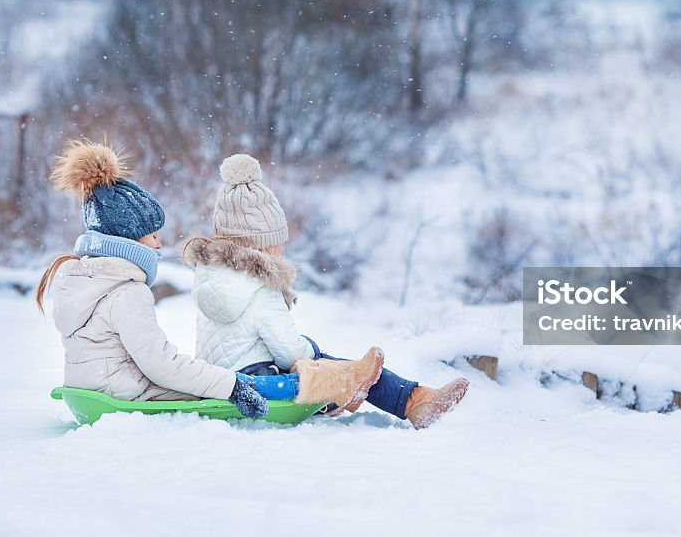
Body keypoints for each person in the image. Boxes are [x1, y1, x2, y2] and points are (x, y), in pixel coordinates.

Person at [36, 139, 383, 419]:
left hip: (91, 392)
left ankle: (344, 383)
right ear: (126, 241)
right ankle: (332, 386)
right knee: (257, 382)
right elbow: (160, 365)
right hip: (125, 392)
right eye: (151, 236)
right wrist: (231, 386)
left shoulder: (81, 279)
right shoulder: (126, 293)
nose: (159, 244)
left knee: (214, 373)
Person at [184, 153, 470, 430]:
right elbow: (289, 353)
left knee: (339, 366)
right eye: (277, 241)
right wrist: (314, 351)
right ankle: (412, 400)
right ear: (262, 244)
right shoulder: (260, 285)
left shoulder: (211, 276)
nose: (281, 248)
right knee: (330, 363)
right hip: (262, 381)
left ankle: (407, 398)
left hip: (218, 380)